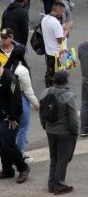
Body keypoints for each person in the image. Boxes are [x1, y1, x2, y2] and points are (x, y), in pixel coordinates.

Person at [39, 70, 78, 195]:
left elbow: (42, 113)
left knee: (54, 158)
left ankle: (51, 184)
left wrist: (45, 126)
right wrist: (75, 132)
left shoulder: (45, 92)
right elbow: (73, 120)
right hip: (64, 133)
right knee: (62, 159)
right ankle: (59, 185)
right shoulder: (69, 96)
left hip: (50, 131)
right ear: (66, 81)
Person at [4, 48, 38, 159]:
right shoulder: (22, 70)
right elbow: (28, 91)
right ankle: (19, 155)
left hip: (6, 101)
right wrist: (36, 104)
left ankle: (9, 154)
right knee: (23, 129)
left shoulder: (5, 68)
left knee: (10, 130)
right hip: (21, 99)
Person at [0, 55, 29, 183]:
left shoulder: (10, 79)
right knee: (1, 144)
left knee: (8, 143)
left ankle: (23, 168)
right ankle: (7, 170)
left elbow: (15, 100)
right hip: (1, 116)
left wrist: (12, 117)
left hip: (11, 118)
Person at [42, 2, 73, 88]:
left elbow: (52, 31)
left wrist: (62, 26)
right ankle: (59, 91)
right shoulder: (55, 23)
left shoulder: (45, 18)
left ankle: (48, 89)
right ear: (58, 10)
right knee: (61, 75)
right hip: (59, 53)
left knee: (49, 72)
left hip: (49, 51)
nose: (63, 14)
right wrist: (68, 29)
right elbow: (60, 40)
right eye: (62, 11)